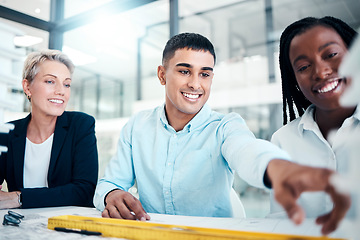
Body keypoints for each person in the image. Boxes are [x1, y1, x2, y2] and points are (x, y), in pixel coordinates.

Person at [94, 32, 349, 235]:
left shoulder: (225, 126)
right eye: (185, 71)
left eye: (205, 74)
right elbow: (108, 183)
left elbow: (246, 150)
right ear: (162, 74)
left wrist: (276, 168)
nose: (195, 84)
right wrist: (111, 194)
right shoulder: (137, 127)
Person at [270, 16, 357, 228]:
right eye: (303, 67)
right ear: (294, 81)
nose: (320, 72)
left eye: (331, 55)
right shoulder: (283, 140)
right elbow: (280, 221)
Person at [0, 50, 98, 209]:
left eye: (66, 84)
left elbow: (84, 191)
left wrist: (18, 198)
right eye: (50, 81)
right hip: (20, 228)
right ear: (27, 87)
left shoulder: (81, 125)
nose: (61, 91)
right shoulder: (8, 133)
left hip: (67, 227)